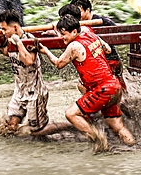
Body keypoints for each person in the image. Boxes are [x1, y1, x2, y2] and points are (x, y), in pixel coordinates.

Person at [40, 15, 136, 153]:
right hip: (114, 85)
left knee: (71, 114)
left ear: (74, 31)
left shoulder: (74, 46)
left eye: (64, 34)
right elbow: (108, 50)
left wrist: (46, 51)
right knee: (117, 126)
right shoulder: (89, 33)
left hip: (102, 89)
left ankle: (99, 141)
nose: (62, 38)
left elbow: (59, 64)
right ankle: (134, 147)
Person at [0, 10, 73, 137]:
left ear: (15, 27)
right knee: (7, 126)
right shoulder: (9, 40)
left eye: (4, 29)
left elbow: (28, 61)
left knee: (37, 132)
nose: (3, 32)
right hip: (19, 92)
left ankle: (72, 126)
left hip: (35, 93)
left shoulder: (29, 40)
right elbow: (8, 52)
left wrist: (18, 43)